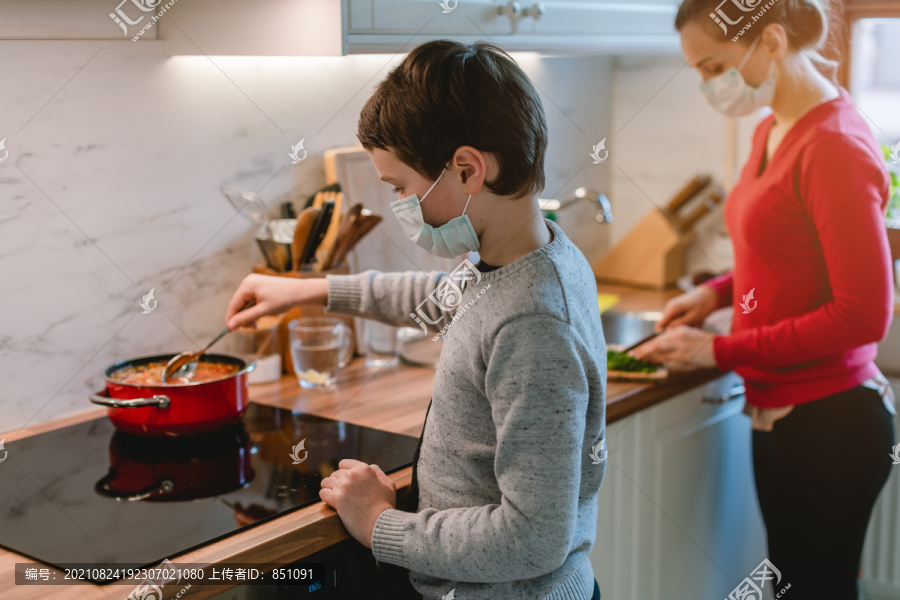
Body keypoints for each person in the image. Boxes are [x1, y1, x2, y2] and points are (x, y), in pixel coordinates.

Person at [226, 40, 607, 600]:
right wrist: (309, 291)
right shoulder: (521, 258)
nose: (400, 205)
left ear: (468, 169)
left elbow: (533, 538)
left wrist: (380, 524)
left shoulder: (534, 322)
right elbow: (437, 299)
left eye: (401, 188)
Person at [629, 1, 896, 598]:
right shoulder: (774, 126)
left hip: (832, 423)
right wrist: (713, 294)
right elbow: (783, 252)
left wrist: (720, 349)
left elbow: (864, 314)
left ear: (772, 42)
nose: (706, 83)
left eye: (712, 64)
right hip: (781, 410)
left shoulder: (833, 145)